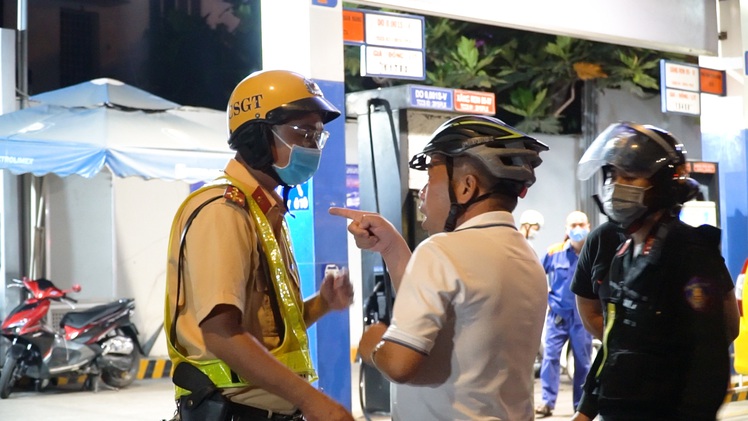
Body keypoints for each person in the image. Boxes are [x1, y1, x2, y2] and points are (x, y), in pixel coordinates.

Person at [163, 69, 355, 421]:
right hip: (235, 414)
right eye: (303, 133)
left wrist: (323, 305)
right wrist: (314, 401)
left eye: (317, 136)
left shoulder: (265, 213)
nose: (313, 146)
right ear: (256, 136)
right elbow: (222, 335)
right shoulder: (224, 211)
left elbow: (264, 332)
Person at [331, 115, 550, 420]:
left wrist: (372, 343)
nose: (423, 192)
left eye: (431, 177)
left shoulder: (440, 251)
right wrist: (391, 246)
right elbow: (441, 307)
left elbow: (398, 364)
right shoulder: (526, 258)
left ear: (466, 187)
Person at [569, 121, 740, 420]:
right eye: (613, 175)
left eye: (630, 176)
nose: (616, 185)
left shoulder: (689, 251)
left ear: (661, 185)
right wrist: (585, 410)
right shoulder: (623, 253)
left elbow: (708, 357)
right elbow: (614, 344)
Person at [535, 211, 593, 418]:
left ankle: (580, 406)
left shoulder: (592, 253)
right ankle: (547, 403)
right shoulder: (554, 252)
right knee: (550, 358)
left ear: (589, 225)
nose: (577, 229)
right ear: (566, 228)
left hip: (582, 318)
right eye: (573, 225)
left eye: (581, 224)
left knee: (583, 362)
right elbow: (536, 274)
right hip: (558, 316)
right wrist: (546, 298)